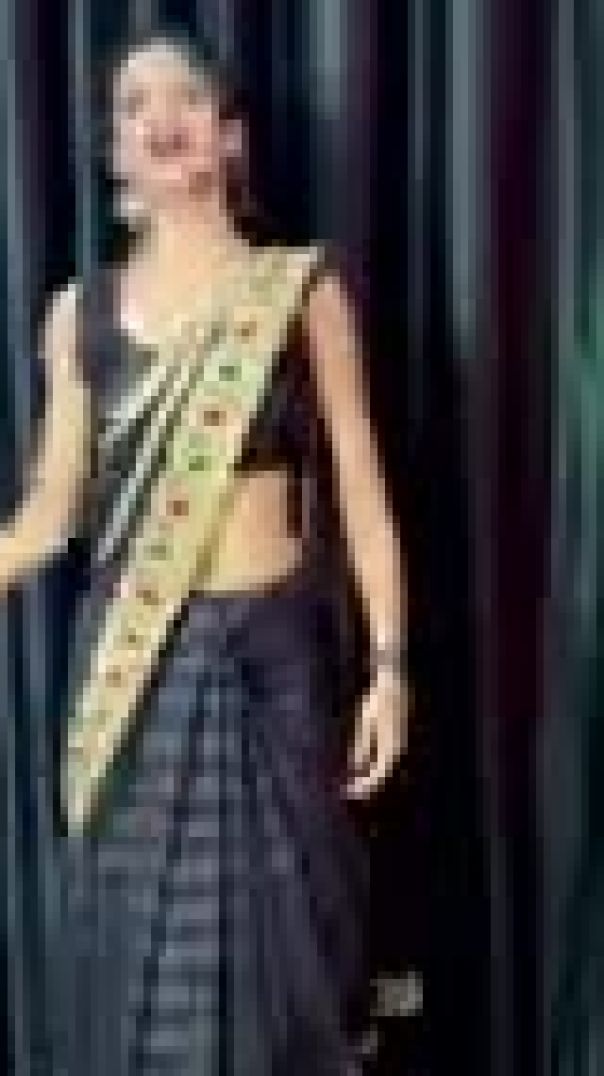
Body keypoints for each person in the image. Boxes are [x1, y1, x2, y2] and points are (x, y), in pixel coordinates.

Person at [0, 26, 408, 1075]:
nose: (161, 119)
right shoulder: (77, 316)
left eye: (183, 97)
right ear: (115, 154)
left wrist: (389, 666)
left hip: (278, 664)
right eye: (134, 107)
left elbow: (362, 491)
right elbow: (50, 514)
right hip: (136, 673)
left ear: (228, 136)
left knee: (296, 968)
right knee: (148, 975)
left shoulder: (299, 290)